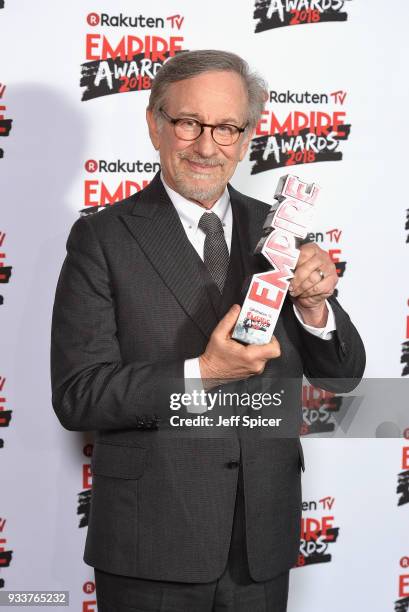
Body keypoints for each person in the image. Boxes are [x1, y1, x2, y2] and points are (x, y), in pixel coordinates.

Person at [50, 50, 365, 612]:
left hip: (262, 543)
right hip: (152, 542)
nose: (206, 146)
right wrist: (205, 373)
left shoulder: (283, 232)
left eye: (226, 128)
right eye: (189, 122)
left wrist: (316, 308)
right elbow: (80, 396)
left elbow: (342, 379)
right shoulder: (101, 239)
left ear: (248, 138)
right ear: (155, 124)